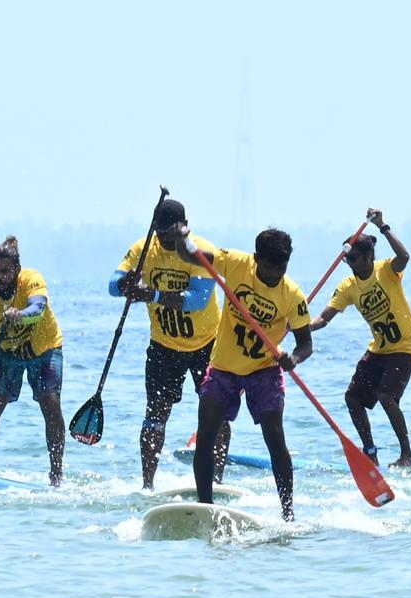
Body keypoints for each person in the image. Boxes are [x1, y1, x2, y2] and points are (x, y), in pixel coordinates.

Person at [166, 225, 312, 521]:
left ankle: (288, 514)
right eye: (269, 268)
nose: (275, 275)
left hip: (264, 371)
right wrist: (181, 239)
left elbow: (306, 344)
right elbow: (191, 255)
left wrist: (293, 358)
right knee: (206, 437)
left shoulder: (293, 295)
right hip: (223, 368)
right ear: (256, 259)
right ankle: (206, 508)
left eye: (281, 268)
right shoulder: (235, 263)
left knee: (275, 440)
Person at [109, 198, 231, 491]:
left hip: (208, 345)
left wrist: (151, 295)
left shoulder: (202, 251)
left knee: (216, 413)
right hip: (164, 346)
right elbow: (113, 285)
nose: (165, 240)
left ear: (184, 228)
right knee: (155, 413)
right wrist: (125, 285)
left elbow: (198, 300)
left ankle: (216, 481)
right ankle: (147, 486)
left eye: (171, 234)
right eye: (160, 233)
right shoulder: (142, 249)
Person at [309, 208, 411, 468]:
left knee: (386, 396)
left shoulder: (387, 270)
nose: (350, 263)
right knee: (353, 398)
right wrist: (300, 327)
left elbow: (404, 257)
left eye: (354, 258)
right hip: (379, 349)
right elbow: (324, 318)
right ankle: (370, 452)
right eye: (347, 259)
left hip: (405, 346)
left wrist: (383, 226)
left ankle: (406, 455)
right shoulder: (348, 287)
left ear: (369, 256)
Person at [0, 236, 65, 486]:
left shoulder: (32, 280)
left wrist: (20, 315)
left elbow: (38, 308)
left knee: (50, 403)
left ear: (17, 269)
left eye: (5, 271)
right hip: (6, 353)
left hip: (44, 349)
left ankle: (56, 474)